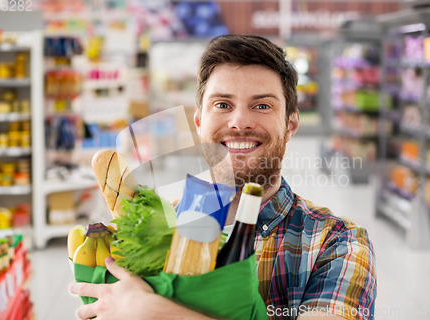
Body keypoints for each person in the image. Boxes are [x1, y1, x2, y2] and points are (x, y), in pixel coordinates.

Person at [70, 34, 377, 320]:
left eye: (262, 105)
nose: (239, 122)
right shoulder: (146, 231)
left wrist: (153, 310)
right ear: (199, 122)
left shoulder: (336, 242)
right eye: (222, 104)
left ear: (290, 125)